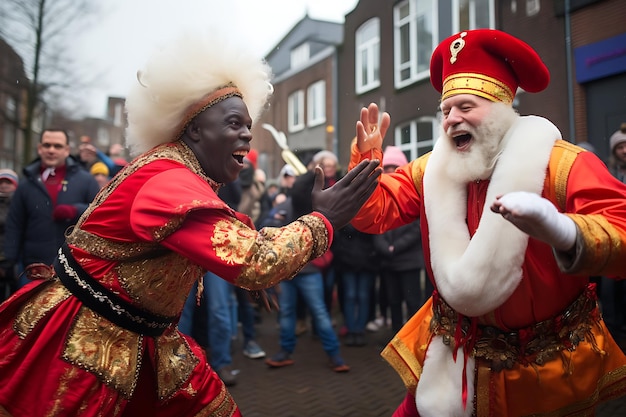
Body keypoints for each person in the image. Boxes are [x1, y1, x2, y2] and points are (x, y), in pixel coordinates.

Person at [0, 28, 381, 416]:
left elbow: (223, 231)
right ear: (195, 129)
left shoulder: (179, 169)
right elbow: (256, 262)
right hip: (83, 343)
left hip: (143, 336)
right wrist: (324, 219)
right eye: (234, 123)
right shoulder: (169, 179)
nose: (247, 134)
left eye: (248, 124)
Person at [347, 29, 626, 416]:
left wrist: (570, 235)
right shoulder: (431, 170)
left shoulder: (564, 165)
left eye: (465, 107)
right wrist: (366, 161)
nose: (451, 120)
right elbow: (375, 212)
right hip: (452, 359)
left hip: (543, 378)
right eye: (445, 111)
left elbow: (621, 226)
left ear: (499, 109)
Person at [265, 169, 350, 372]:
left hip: (304, 271)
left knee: (313, 312)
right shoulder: (292, 207)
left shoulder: (313, 209)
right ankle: (326, 356)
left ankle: (333, 355)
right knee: (302, 312)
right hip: (291, 272)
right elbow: (267, 226)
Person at [5, 129, 101, 288]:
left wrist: (75, 210)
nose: (51, 150)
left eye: (57, 146)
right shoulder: (26, 184)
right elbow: (15, 224)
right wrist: (8, 261)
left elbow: (99, 214)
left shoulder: (86, 181)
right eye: (47, 145)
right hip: (33, 269)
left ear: (67, 150)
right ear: (39, 148)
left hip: (75, 270)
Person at [373, 146, 430, 333]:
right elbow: (376, 224)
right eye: (386, 167)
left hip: (408, 261)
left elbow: (417, 228)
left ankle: (414, 340)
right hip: (388, 262)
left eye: (394, 166)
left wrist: (395, 247)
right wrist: (384, 247)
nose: (390, 171)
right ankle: (395, 338)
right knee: (393, 302)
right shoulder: (380, 194)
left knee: (413, 302)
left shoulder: (413, 194)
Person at [0, 169, 18, 301]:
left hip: (14, 256)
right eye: (2, 182)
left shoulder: (19, 204)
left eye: (8, 183)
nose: (4, 185)